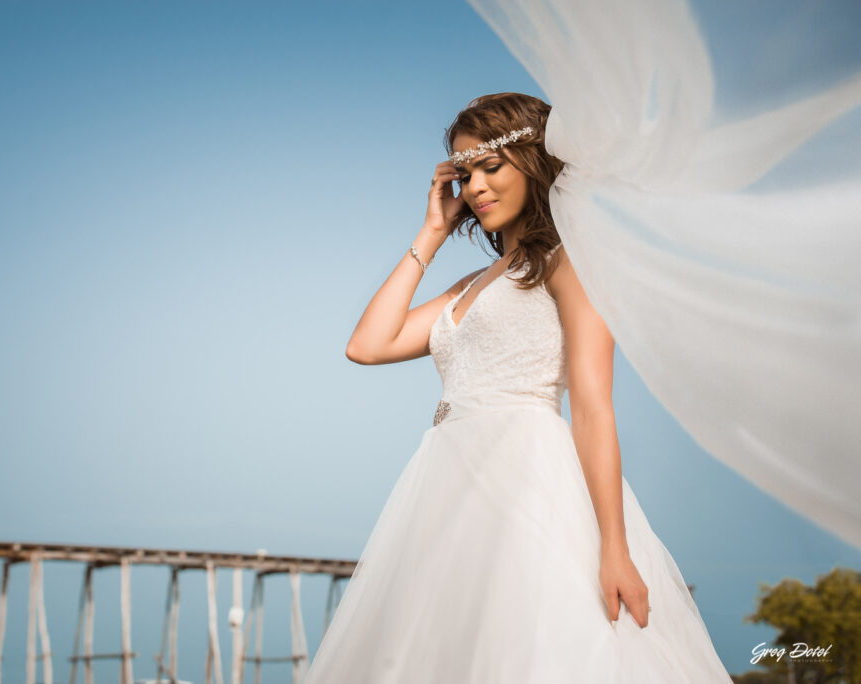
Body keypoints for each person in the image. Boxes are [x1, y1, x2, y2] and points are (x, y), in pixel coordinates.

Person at [301, 93, 733, 683]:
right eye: (465, 172)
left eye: (491, 166)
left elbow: (592, 408)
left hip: (530, 482)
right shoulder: (467, 284)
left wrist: (614, 546)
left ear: (530, 162)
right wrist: (431, 232)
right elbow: (367, 346)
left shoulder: (567, 262)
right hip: (447, 489)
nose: (476, 187)